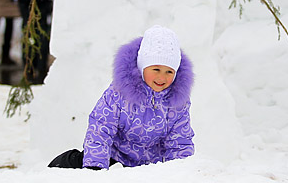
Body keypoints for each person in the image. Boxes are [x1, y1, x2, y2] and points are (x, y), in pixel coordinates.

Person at [48, 25, 195, 169]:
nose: (161, 77)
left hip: (148, 165)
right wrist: (95, 167)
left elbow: (179, 141)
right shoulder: (119, 93)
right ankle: (57, 168)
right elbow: (101, 128)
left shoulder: (177, 102)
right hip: (113, 156)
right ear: (142, 66)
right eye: (156, 69)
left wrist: (179, 171)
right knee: (76, 162)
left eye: (169, 72)